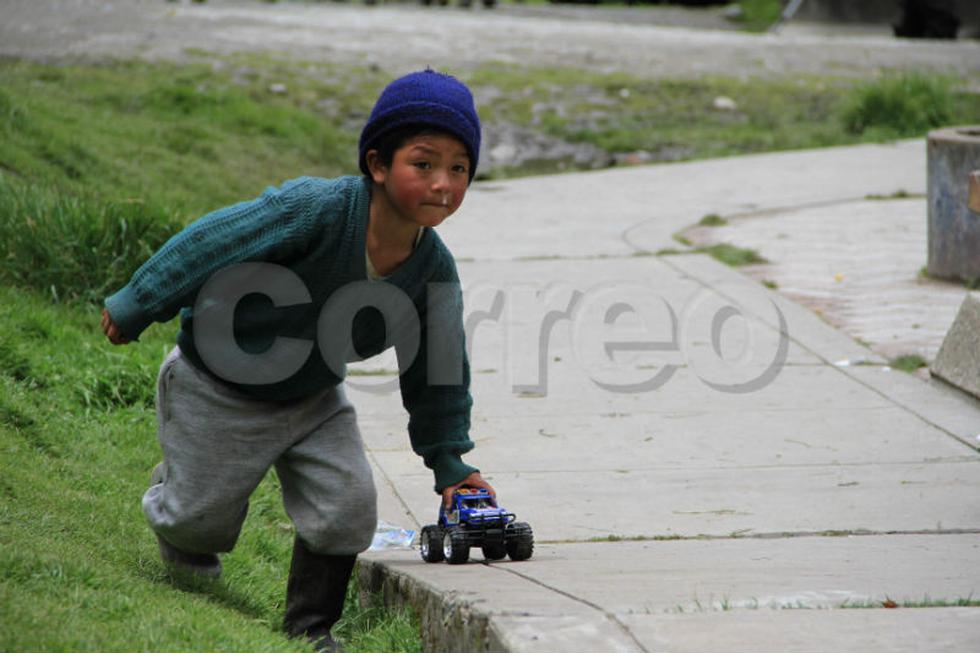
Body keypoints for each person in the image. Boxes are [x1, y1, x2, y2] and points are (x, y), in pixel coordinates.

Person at [100, 68, 494, 653]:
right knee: (196, 523)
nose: (442, 183)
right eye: (424, 163)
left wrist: (449, 460)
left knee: (350, 507)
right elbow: (218, 239)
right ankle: (179, 496)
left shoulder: (432, 272)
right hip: (217, 384)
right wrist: (140, 300)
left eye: (458, 169)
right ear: (378, 165)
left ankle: (310, 628)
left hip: (313, 398)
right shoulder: (319, 210)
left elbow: (439, 369)